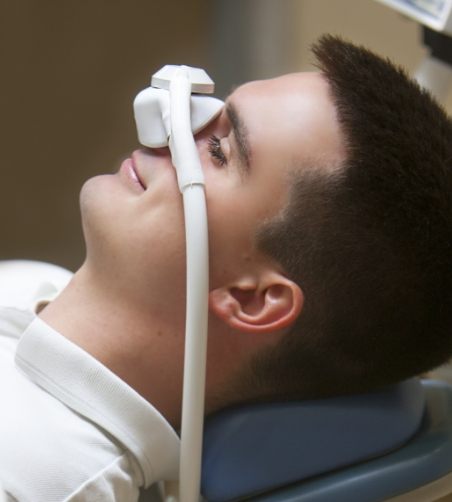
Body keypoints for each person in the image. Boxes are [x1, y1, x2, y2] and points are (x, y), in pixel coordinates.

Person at [1, 34, 451, 501]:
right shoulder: (32, 285)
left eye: (219, 150)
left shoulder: (39, 478)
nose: (170, 129)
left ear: (252, 298)